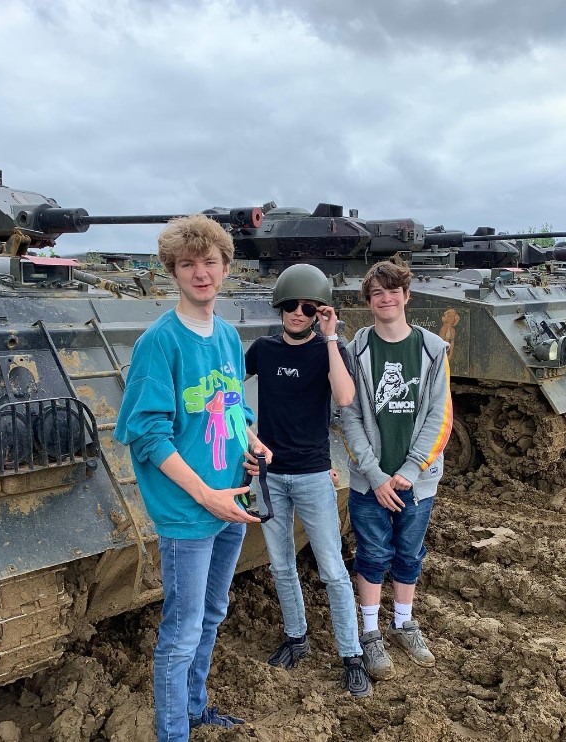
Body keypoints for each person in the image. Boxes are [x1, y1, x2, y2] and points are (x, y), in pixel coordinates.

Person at [115, 214, 272, 742]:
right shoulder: (160, 343)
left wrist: (249, 438)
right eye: (188, 265)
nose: (201, 274)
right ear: (173, 272)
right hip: (190, 509)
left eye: (210, 262)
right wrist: (205, 494)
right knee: (180, 632)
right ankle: (173, 732)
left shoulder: (227, 335)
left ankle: (198, 709)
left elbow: (230, 402)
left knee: (211, 612)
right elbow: (147, 433)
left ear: (225, 268)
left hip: (231, 497)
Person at [244, 263, 371, 698]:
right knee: (281, 565)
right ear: (280, 306)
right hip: (268, 475)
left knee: (333, 571)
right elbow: (224, 389)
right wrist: (244, 435)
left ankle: (351, 655)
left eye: (309, 307)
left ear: (319, 311)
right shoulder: (262, 349)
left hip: (314, 474)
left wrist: (332, 336)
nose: (299, 314)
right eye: (292, 305)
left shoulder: (326, 351)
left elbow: (344, 396)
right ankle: (296, 639)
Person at [341, 260, 452, 683]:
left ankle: (403, 623)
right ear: (369, 302)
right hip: (371, 479)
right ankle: (369, 634)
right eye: (376, 293)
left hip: (417, 480)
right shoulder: (357, 351)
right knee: (372, 554)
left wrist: (407, 471)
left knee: (408, 554)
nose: (385, 299)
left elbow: (439, 417)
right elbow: (348, 414)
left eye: (393, 291)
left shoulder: (432, 349)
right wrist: (375, 474)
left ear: (406, 296)